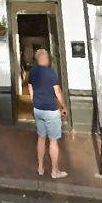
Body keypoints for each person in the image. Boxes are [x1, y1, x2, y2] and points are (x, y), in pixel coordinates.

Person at [28, 49, 68, 179]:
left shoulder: (32, 71)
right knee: (53, 141)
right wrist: (63, 106)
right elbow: (57, 90)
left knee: (41, 138)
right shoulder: (51, 72)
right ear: (45, 59)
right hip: (51, 110)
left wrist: (34, 101)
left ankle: (40, 168)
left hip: (38, 109)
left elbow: (30, 88)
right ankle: (54, 171)